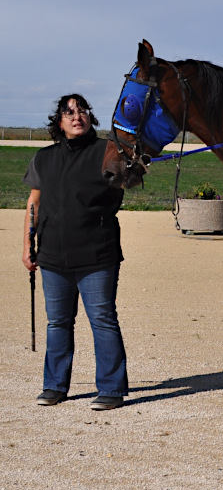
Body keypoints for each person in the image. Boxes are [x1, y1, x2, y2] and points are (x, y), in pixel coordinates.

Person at [22, 94, 129, 411]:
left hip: (97, 254)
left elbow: (127, 182)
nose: (76, 115)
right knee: (57, 323)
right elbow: (33, 204)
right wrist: (28, 245)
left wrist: (131, 163)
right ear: (59, 121)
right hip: (53, 256)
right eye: (69, 112)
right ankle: (54, 386)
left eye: (82, 110)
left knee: (103, 320)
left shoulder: (105, 152)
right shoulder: (44, 158)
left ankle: (111, 388)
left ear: (90, 118)